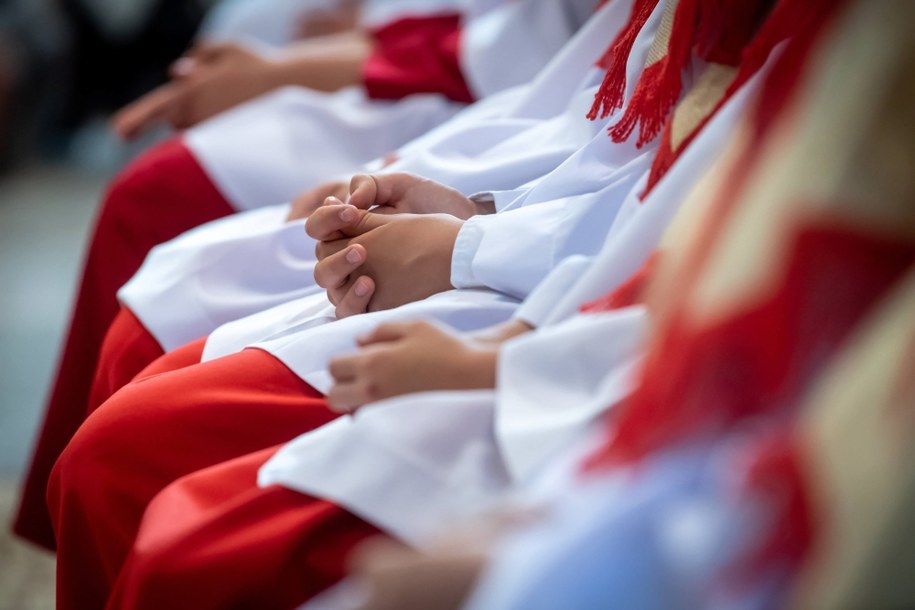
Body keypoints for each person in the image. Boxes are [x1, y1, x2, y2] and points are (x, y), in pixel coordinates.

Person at [50, 1, 810, 608]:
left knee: (153, 492)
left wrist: (484, 280)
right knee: (139, 364)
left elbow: (715, 256)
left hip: (616, 360)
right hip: (553, 255)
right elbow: (599, 127)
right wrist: (470, 209)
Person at [15, 0, 598, 551]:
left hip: (578, 292)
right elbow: (590, 113)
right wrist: (477, 213)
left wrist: (475, 246)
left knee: (130, 432)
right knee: (145, 327)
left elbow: (541, 64)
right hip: (530, 188)